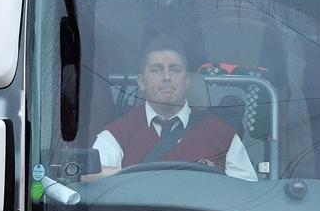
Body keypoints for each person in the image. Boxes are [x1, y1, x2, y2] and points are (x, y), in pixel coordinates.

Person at [93, 36, 258, 180]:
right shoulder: (117, 134)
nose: (166, 77)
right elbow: (93, 179)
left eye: (175, 69)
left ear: (187, 81)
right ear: (141, 82)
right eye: (156, 70)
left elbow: (247, 195)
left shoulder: (223, 136)